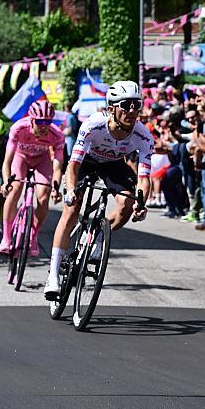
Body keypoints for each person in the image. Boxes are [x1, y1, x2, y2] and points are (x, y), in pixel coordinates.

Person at [44, 81, 153, 299]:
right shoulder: (93, 125)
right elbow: (73, 165)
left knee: (127, 206)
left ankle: (97, 239)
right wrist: (71, 190)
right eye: (126, 105)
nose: (132, 111)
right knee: (72, 210)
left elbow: (144, 178)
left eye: (137, 105)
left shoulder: (144, 136)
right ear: (112, 108)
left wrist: (142, 204)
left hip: (113, 164)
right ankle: (53, 276)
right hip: (87, 161)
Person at [0, 102, 64, 256]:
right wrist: (7, 181)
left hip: (42, 160)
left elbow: (58, 166)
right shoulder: (18, 128)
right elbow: (8, 160)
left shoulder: (57, 135)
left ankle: (33, 236)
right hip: (20, 157)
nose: (43, 125)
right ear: (31, 119)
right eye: (39, 121)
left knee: (43, 195)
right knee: (15, 189)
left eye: (47, 121)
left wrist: (55, 187)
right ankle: (6, 238)